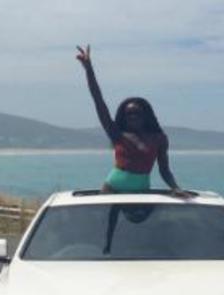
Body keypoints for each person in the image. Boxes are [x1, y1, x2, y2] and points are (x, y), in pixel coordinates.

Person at [76, 45, 192, 197]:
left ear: (146, 115)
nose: (132, 117)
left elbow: (164, 170)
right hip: (111, 189)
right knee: (107, 222)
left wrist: (176, 188)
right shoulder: (117, 134)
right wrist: (89, 69)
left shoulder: (159, 139)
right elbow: (98, 100)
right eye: (128, 114)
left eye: (137, 113)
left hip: (141, 191)